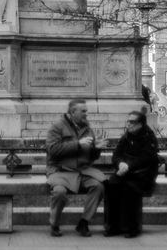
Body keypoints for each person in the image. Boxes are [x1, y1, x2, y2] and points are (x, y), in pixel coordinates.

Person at [45, 99, 105, 237]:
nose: (86, 114)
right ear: (73, 112)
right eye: (83, 111)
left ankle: (84, 223)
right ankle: (54, 224)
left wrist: (96, 149)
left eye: (86, 111)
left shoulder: (87, 128)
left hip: (81, 171)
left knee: (98, 186)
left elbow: (91, 157)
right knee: (59, 192)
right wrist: (77, 144)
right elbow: (52, 150)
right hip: (60, 171)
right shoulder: (57, 126)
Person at [103, 111, 159, 238]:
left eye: (132, 122)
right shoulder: (126, 136)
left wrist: (129, 166)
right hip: (126, 171)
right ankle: (113, 226)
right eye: (128, 121)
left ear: (141, 124)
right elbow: (116, 155)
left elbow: (146, 158)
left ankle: (132, 228)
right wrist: (120, 164)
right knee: (111, 185)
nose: (129, 124)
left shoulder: (149, 137)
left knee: (130, 188)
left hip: (143, 174)